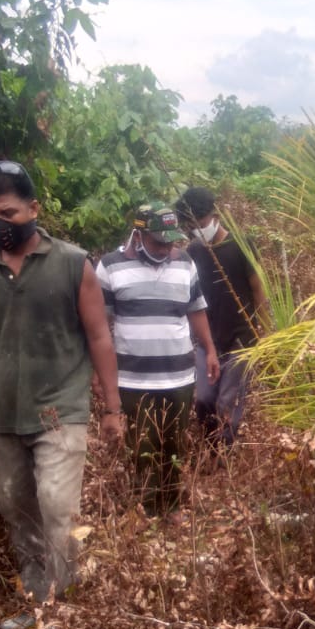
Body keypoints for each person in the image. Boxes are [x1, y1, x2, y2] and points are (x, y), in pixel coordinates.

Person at [0, 160, 125, 629]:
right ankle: (35, 587)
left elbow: (99, 337)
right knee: (14, 502)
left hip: (58, 409)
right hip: (0, 410)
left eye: (8, 212)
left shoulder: (72, 263)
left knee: (56, 502)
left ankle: (62, 602)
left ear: (33, 208)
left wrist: (112, 408)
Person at [95, 202, 220, 522]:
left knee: (175, 444)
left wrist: (210, 349)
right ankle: (146, 510)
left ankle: (173, 505)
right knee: (142, 446)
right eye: (158, 242)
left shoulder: (185, 263)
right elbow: (99, 328)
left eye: (171, 242)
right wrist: (98, 374)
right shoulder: (109, 267)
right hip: (133, 379)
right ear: (139, 235)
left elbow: (196, 309)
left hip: (179, 375)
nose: (166, 248)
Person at [174, 186, 271, 450]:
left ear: (214, 215)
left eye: (200, 223)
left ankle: (222, 457)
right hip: (209, 340)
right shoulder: (194, 251)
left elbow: (257, 288)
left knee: (227, 402)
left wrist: (264, 331)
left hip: (241, 338)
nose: (196, 229)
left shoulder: (241, 244)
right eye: (190, 225)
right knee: (204, 399)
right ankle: (209, 449)